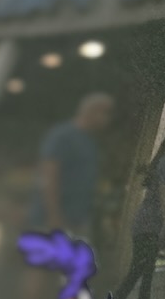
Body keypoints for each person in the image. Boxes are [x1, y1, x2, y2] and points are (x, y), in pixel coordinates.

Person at [108, 132, 165, 299]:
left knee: (138, 274)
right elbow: (164, 191)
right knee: (142, 276)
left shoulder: (157, 162)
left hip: (142, 226)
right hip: (150, 228)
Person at [30, 92, 114, 239]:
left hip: (77, 221)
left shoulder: (90, 142)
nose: (108, 119)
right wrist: (54, 217)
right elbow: (49, 176)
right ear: (91, 112)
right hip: (53, 222)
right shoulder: (63, 136)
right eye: (105, 113)